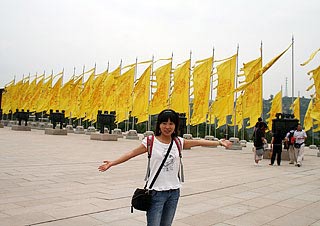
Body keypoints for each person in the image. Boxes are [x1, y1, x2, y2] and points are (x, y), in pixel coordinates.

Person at [98, 109, 232, 226]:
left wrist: (219, 142)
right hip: (156, 192)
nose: (167, 127)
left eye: (171, 123)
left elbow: (198, 142)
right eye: (164, 123)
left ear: (175, 125)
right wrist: (112, 163)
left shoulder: (178, 142)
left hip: (174, 192)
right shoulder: (150, 141)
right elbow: (131, 154)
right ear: (159, 125)